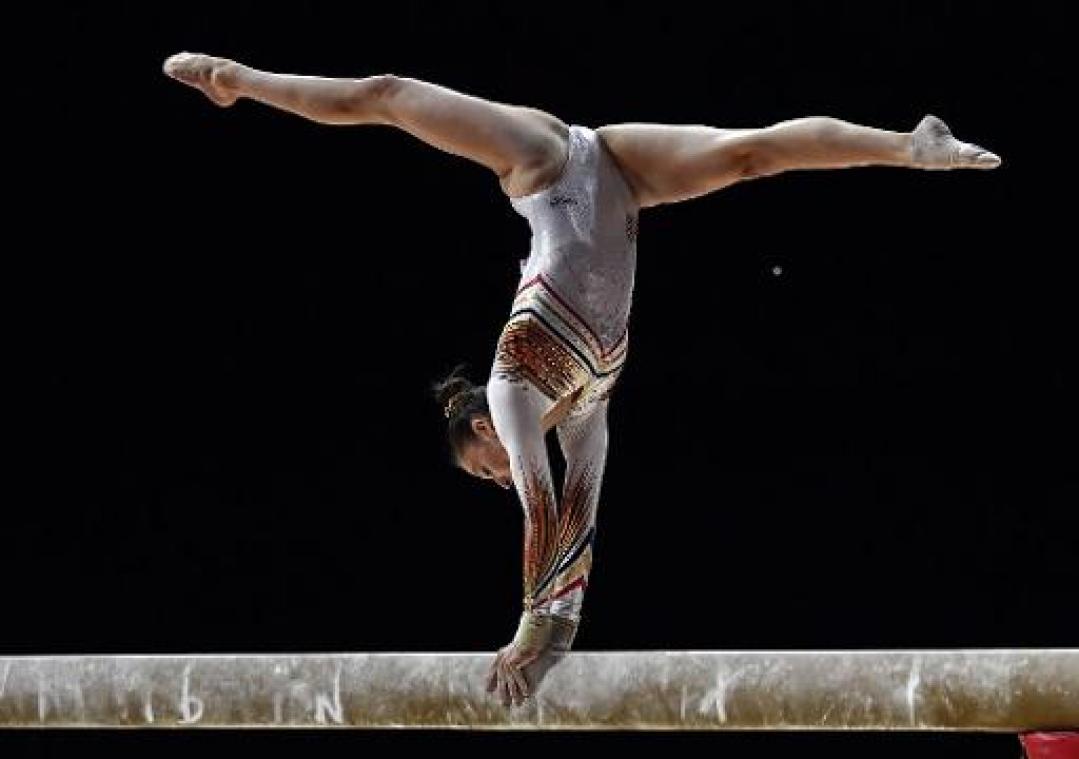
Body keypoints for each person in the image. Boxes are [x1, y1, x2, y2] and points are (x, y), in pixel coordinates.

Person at [163, 52, 1001, 707]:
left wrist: (532, 628)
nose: (497, 476)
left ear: (486, 433)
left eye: (482, 466)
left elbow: (538, 502)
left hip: (544, 168)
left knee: (385, 92)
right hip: (620, 172)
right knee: (750, 156)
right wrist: (560, 627)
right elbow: (580, 508)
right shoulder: (588, 402)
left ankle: (242, 82)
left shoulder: (509, 390)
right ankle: (911, 149)